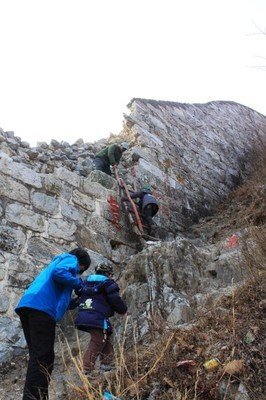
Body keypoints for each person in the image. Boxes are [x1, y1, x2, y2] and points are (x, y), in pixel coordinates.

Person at [15, 248, 91, 400]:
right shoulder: (70, 259)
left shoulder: (56, 263)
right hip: (42, 308)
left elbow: (60, 296)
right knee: (44, 356)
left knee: (39, 355)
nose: (78, 273)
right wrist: (78, 283)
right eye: (81, 270)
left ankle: (35, 395)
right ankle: (34, 397)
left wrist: (74, 302)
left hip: (29, 306)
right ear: (81, 264)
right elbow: (59, 273)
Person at [74, 263, 127, 375]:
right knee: (98, 339)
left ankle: (107, 364)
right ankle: (87, 368)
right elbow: (115, 299)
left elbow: (78, 293)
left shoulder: (86, 282)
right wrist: (122, 310)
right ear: (109, 273)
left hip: (84, 315)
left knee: (105, 336)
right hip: (97, 316)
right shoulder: (108, 283)